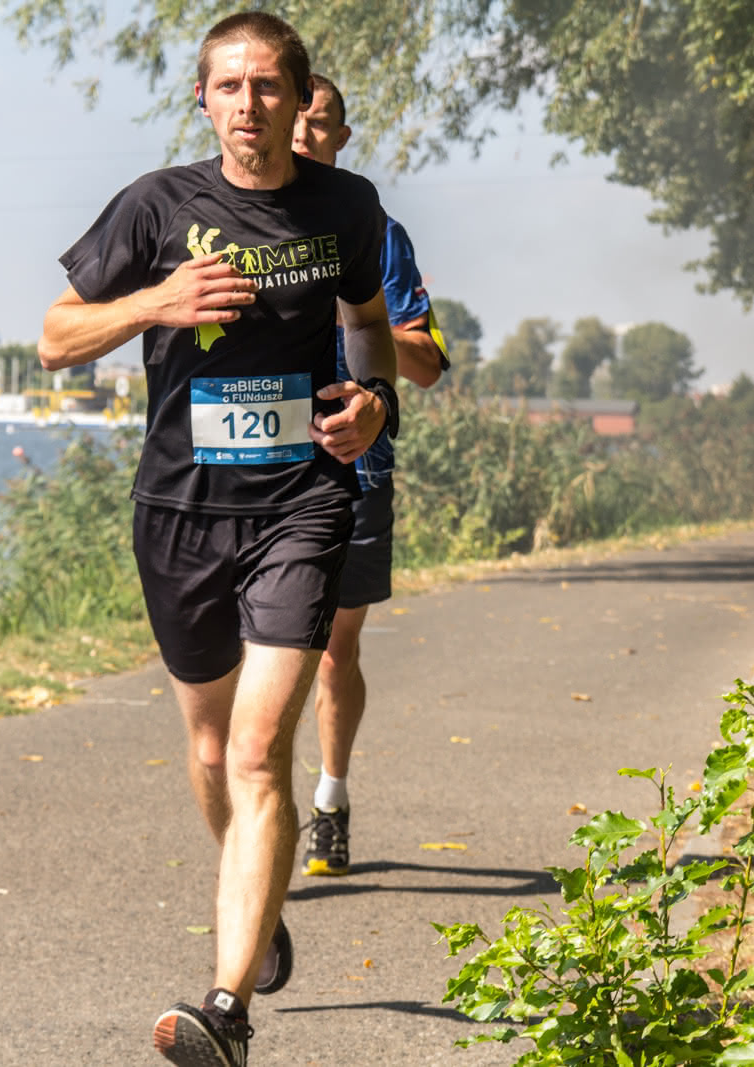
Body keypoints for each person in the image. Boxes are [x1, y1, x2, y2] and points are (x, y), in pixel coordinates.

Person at [38, 14, 399, 1066]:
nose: (248, 104)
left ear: (299, 99)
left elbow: (368, 323)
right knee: (208, 749)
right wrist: (157, 300)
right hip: (180, 511)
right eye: (228, 87)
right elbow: (55, 337)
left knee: (255, 748)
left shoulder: (346, 207)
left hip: (302, 502)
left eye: (267, 86)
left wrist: (374, 401)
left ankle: (226, 1009)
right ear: (202, 100)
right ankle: (260, 894)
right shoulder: (154, 206)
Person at [291, 75, 451, 878]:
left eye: (319, 124)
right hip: (263, 467)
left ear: (340, 138)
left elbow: (427, 362)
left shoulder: (377, 233)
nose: (301, 135)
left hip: (359, 466)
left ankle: (330, 797)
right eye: (294, 119)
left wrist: (355, 310)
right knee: (261, 653)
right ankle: (262, 814)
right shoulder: (231, 223)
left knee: (332, 650)